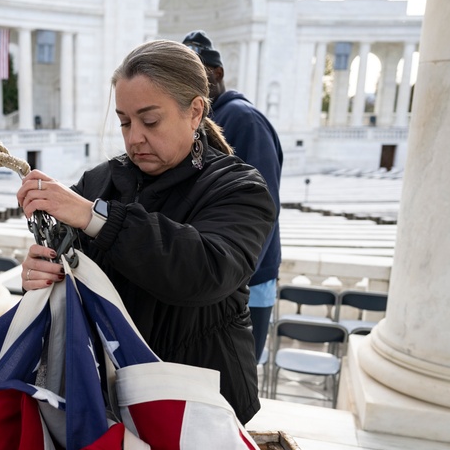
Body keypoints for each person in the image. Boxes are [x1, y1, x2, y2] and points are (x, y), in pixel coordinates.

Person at [16, 39, 275, 424]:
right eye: (124, 121)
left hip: (202, 409)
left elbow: (204, 271)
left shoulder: (240, 188)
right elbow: (75, 280)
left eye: (150, 121)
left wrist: (95, 218)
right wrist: (41, 273)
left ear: (195, 112)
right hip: (111, 400)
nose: (134, 136)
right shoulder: (99, 181)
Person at [183, 30, 283, 364]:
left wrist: (233, 278)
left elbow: (263, 207)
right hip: (219, 279)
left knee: (237, 379)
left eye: (196, 74)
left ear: (217, 74)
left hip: (245, 284)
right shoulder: (203, 121)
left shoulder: (244, 120)